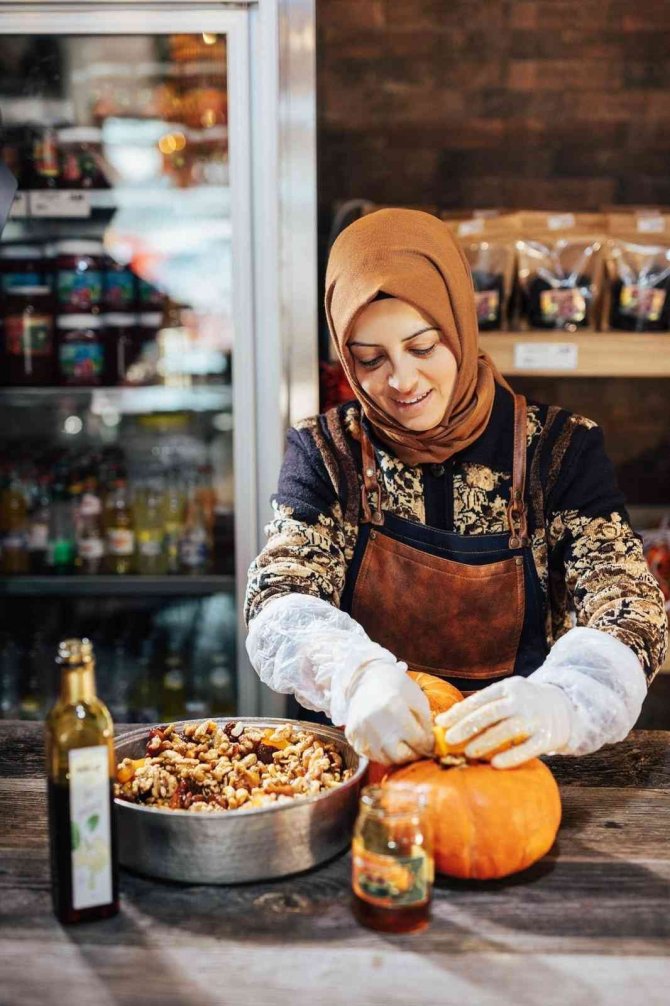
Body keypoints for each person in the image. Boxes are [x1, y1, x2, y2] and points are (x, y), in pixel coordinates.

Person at [245, 208, 668, 768]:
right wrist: (355, 676)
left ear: (461, 323)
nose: (402, 381)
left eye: (422, 347)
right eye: (370, 359)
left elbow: (630, 603)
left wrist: (563, 699)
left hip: (516, 766)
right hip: (368, 768)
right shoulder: (328, 454)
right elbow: (278, 597)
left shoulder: (560, 451)